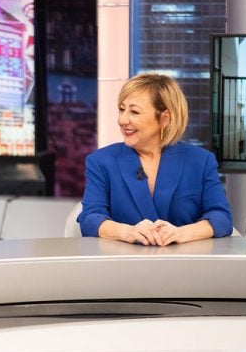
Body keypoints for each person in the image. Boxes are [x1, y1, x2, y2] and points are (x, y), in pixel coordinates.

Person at [78, 73, 233, 246]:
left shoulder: (201, 161)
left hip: (185, 266)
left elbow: (221, 218)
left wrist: (181, 233)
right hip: (124, 266)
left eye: (134, 112)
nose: (122, 120)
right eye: (122, 109)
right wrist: (127, 232)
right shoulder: (100, 162)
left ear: (164, 118)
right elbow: (90, 219)